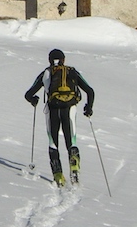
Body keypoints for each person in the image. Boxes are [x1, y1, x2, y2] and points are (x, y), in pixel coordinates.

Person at [24, 48, 95, 186]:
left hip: (52, 109)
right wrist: (89, 107)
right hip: (70, 108)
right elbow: (90, 91)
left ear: (49, 60)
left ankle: (58, 175)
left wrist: (34, 100)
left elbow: (28, 94)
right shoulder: (72, 71)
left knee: (53, 141)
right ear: (64, 60)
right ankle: (74, 168)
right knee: (71, 140)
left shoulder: (46, 73)